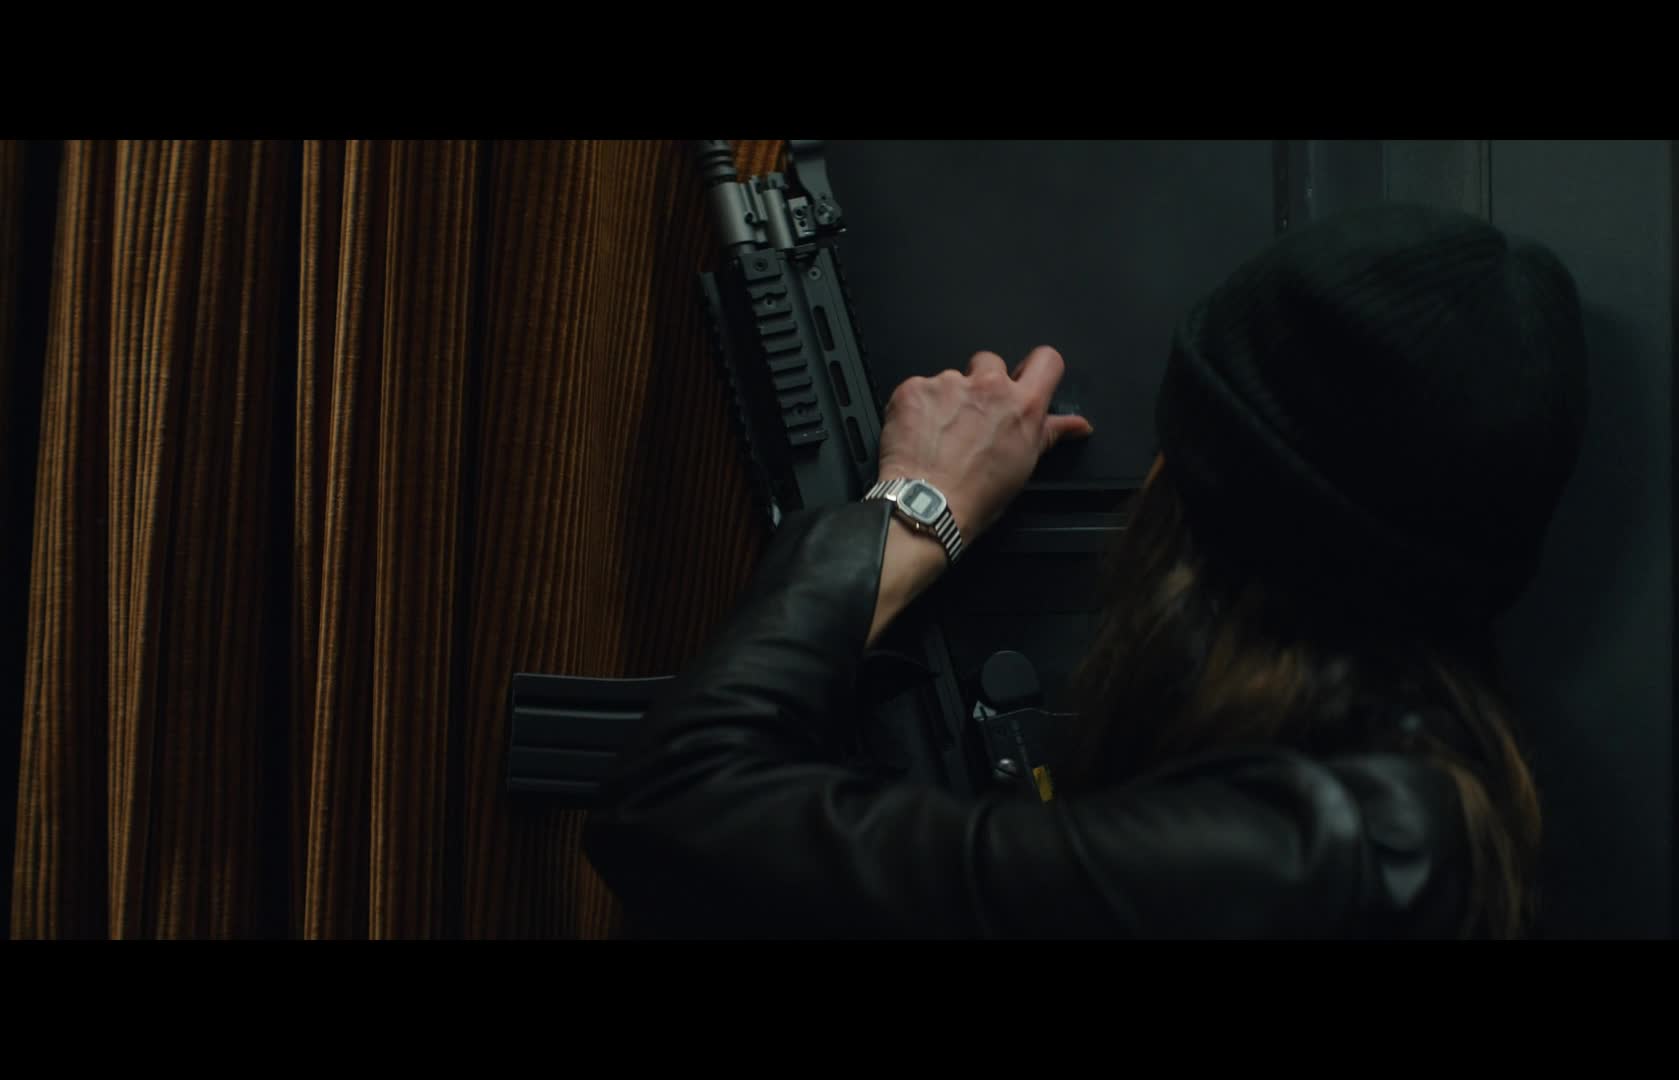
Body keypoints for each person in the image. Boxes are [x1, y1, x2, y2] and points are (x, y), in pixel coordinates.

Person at [584, 204, 1588, 939]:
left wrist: (913, 508)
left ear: (1188, 490)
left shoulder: (1291, 860)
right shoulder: (1415, 820)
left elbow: (676, 805)